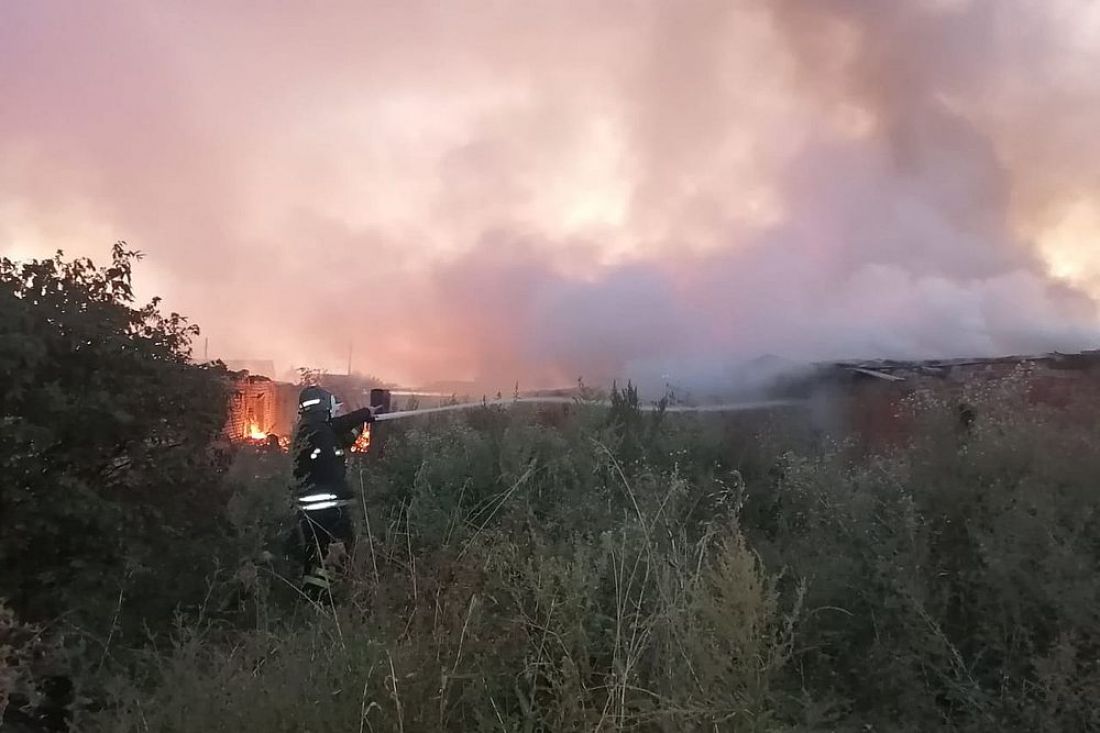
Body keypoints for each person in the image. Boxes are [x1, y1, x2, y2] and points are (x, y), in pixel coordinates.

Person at [290, 385, 377, 600]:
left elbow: (343, 437)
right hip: (327, 509)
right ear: (322, 406)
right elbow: (337, 428)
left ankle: (314, 595)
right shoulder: (317, 430)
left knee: (317, 552)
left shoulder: (312, 430)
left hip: (316, 507)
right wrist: (364, 413)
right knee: (337, 549)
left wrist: (362, 424)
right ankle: (324, 598)